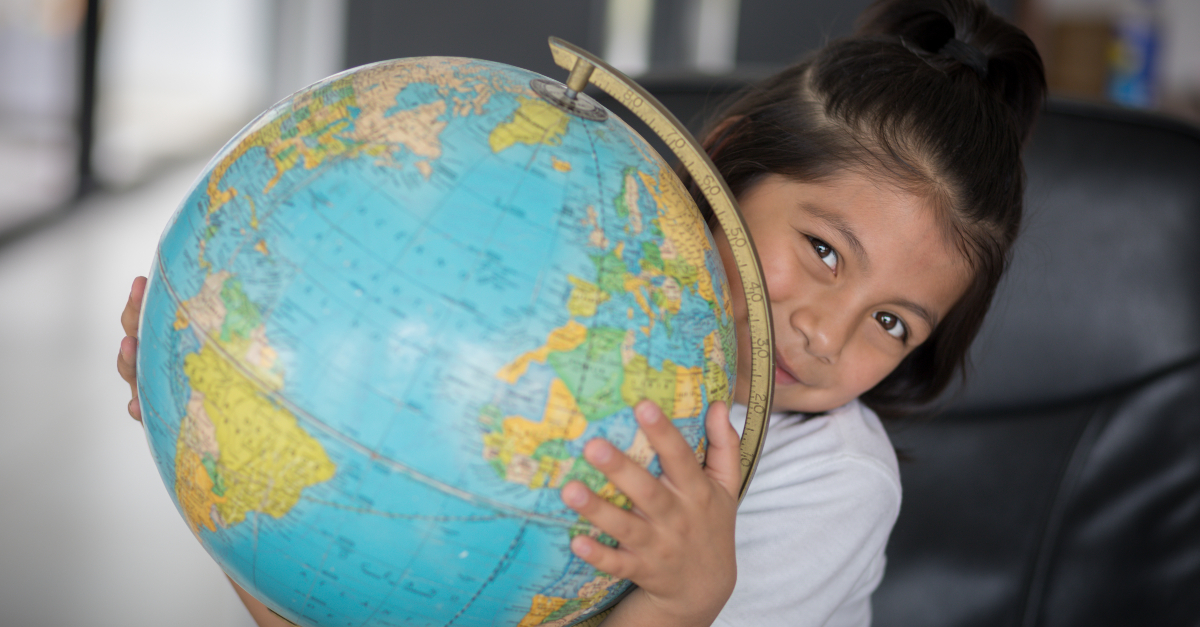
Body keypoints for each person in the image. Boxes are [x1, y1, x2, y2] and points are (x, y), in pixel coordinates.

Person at [116, 0, 1045, 624]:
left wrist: (683, 606)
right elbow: (346, 594)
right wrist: (233, 437)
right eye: (824, 251)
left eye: (894, 323)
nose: (823, 332)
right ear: (727, 167)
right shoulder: (546, 339)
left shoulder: (834, 482)